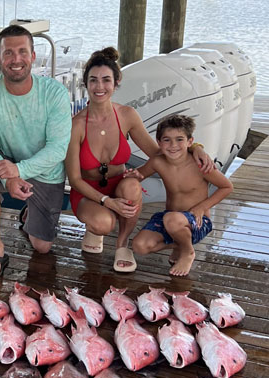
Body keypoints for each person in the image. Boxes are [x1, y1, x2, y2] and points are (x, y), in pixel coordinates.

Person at [65, 47, 213, 273]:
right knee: (104, 223)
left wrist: (195, 148)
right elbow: (75, 179)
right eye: (93, 80)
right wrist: (107, 202)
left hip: (120, 184)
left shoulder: (127, 115)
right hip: (88, 191)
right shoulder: (76, 125)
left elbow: (159, 152)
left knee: (132, 186)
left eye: (106, 80)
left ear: (116, 83)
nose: (99, 86)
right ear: (85, 83)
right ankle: (94, 228)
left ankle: (122, 245)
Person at [0, 24, 72, 279]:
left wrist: (19, 170)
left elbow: (58, 149)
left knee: (42, 246)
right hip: (8, 164)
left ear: (33, 56)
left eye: (22, 52)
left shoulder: (55, 93)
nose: (16, 59)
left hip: (45, 170)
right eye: (8, 53)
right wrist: (9, 178)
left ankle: (28, 213)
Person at [129, 114, 233, 276]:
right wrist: (131, 175)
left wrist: (202, 207)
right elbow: (138, 175)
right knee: (139, 246)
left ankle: (188, 252)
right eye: (167, 140)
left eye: (179, 140)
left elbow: (226, 186)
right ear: (158, 142)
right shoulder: (157, 162)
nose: (173, 145)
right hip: (170, 218)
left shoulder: (200, 164)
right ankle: (179, 244)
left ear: (190, 142)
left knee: (172, 219)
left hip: (198, 221)